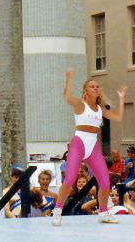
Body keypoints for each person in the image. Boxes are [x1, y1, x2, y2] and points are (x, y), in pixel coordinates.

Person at [52, 70, 126, 226]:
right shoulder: (81, 105)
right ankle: (57, 210)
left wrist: (121, 99)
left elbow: (118, 117)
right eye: (92, 86)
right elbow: (67, 96)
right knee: (70, 178)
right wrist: (68, 78)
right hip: (79, 143)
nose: (96, 88)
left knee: (105, 182)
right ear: (85, 91)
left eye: (97, 86)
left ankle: (103, 212)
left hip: (93, 146)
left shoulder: (100, 109)